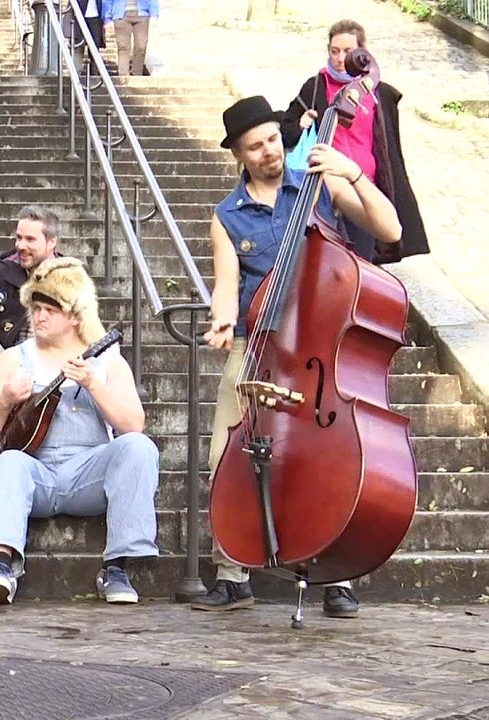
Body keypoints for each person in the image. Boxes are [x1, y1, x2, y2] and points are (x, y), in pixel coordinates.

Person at [191, 96, 402, 618]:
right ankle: (232, 573)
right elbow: (225, 286)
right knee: (226, 453)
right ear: (238, 154)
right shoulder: (226, 216)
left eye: (272, 139)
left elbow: (390, 229)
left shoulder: (319, 183)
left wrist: (352, 172)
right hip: (256, 344)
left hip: (320, 344)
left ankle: (337, 572)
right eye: (255, 146)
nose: (269, 152)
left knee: (329, 457)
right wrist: (221, 318)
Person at [0, 258, 159, 605]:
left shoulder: (108, 359)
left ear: (75, 315)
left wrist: (92, 384)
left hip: (89, 472)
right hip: (36, 470)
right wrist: (4, 399)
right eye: (36, 307)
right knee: (8, 463)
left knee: (140, 448)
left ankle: (117, 566)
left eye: (51, 310)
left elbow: (134, 425)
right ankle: (1, 565)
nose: (39, 316)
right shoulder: (14, 358)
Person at [279, 19, 429, 265]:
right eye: (334, 51)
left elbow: (390, 150)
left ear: (362, 51)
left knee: (361, 262)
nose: (340, 58)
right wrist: (301, 123)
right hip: (325, 191)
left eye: (348, 51)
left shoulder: (381, 93)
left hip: (364, 188)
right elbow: (286, 131)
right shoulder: (316, 86)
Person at [0, 205, 63, 469]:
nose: (21, 245)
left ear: (52, 242)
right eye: (18, 237)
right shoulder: (4, 272)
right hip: (12, 357)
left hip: (53, 357)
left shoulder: (70, 277)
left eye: (30, 239)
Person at [102, 0, 158, 78]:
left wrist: (154, 14)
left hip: (142, 15)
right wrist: (107, 18)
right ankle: (123, 76)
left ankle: (137, 74)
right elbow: (107, 1)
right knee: (123, 47)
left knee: (141, 47)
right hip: (121, 16)